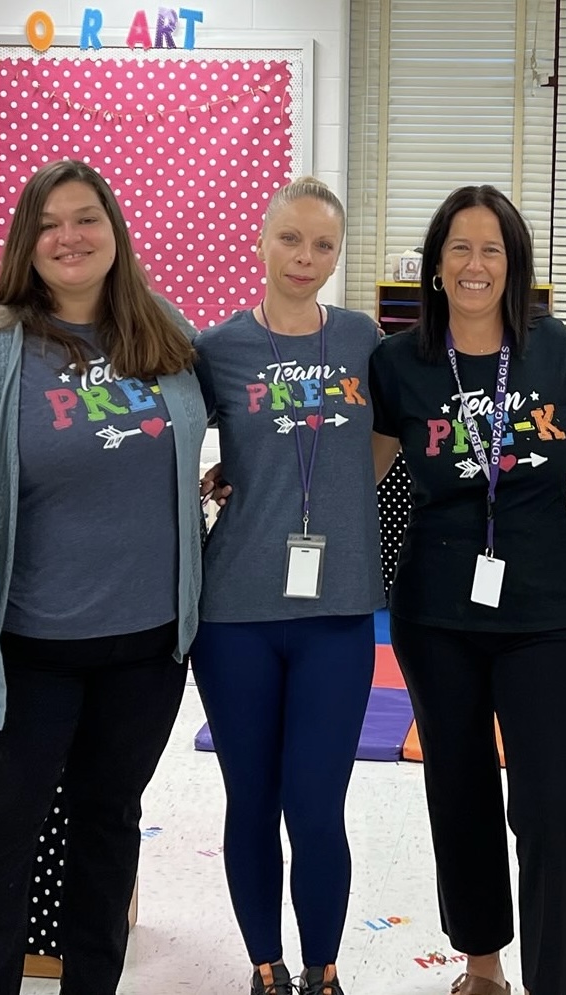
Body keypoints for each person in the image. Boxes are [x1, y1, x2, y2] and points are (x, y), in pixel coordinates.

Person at [0, 158, 208, 995]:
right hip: (25, 652)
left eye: (86, 218)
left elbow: (207, 434)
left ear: (114, 232)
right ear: (26, 242)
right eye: (49, 224)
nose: (69, 237)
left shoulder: (163, 335)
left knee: (108, 832)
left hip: (147, 650)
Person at [367, 185, 566, 995]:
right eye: (458, 248)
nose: (474, 263)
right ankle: (483, 967)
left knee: (552, 806)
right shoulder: (398, 361)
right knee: (457, 788)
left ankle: (552, 981)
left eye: (491, 249)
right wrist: (247, 479)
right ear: (434, 266)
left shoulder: (554, 348)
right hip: (436, 612)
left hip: (549, 612)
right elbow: (363, 468)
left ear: (514, 264)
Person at [192, 176, 383, 995]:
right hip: (234, 609)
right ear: (263, 242)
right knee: (252, 798)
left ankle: (323, 968)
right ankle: (265, 967)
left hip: (336, 609)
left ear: (337, 254)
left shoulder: (366, 341)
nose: (305, 258)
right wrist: (215, 476)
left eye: (323, 245)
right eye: (291, 239)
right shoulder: (218, 347)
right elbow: (162, 441)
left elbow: (391, 438)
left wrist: (338, 490)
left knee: (316, 804)